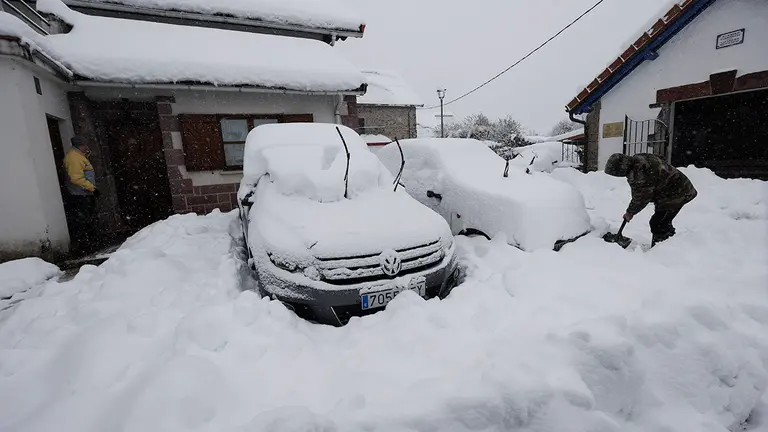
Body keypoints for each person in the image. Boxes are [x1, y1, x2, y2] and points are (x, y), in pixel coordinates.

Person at [604, 153, 697, 247]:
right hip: (672, 189)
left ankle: (663, 249)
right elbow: (660, 158)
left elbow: (641, 197)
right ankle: (667, 243)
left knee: (659, 224)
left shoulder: (639, 174)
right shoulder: (638, 159)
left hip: (677, 193)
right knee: (661, 222)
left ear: (622, 168)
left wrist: (630, 212)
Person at [64, 136, 100, 255]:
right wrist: (92, 188)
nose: (87, 147)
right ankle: (86, 247)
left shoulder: (79, 156)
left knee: (87, 219)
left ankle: (89, 244)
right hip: (80, 195)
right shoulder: (74, 158)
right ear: (79, 145)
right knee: (84, 220)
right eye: (85, 145)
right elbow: (76, 178)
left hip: (83, 193)